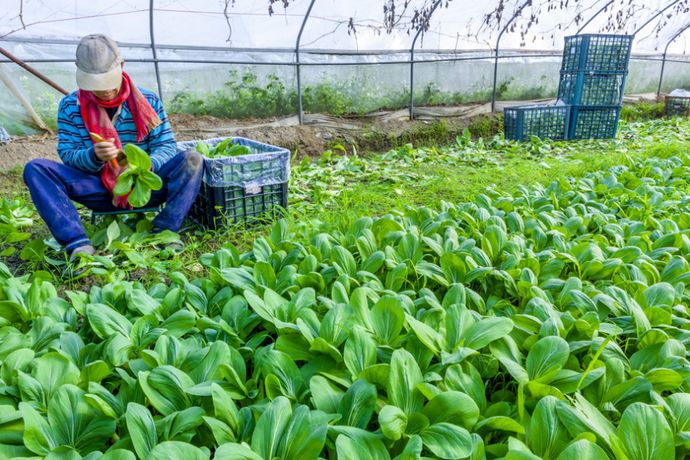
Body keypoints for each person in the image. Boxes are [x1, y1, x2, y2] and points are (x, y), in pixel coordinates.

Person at [23, 34, 203, 261]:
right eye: (97, 85)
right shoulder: (70, 105)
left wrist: (145, 166)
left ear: (122, 66)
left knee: (193, 160)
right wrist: (94, 155)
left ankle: (165, 231)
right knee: (36, 169)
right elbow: (68, 153)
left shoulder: (149, 101)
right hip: (97, 186)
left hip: (144, 187)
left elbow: (165, 145)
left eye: (109, 82)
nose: (106, 91)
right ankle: (78, 244)